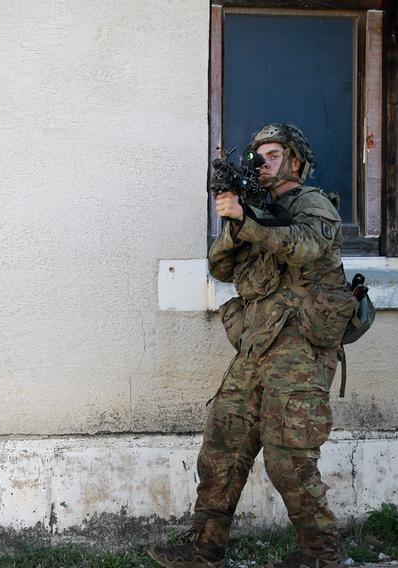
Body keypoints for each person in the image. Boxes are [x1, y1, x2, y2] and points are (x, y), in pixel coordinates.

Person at [147, 124, 353, 568]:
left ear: (295, 162)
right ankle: (205, 545)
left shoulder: (311, 205)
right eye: (258, 155)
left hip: (299, 350)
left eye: (274, 155)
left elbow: (304, 248)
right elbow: (221, 267)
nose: (263, 163)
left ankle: (321, 554)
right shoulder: (256, 211)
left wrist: (252, 223)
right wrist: (237, 223)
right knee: (223, 440)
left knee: (287, 457)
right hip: (255, 348)